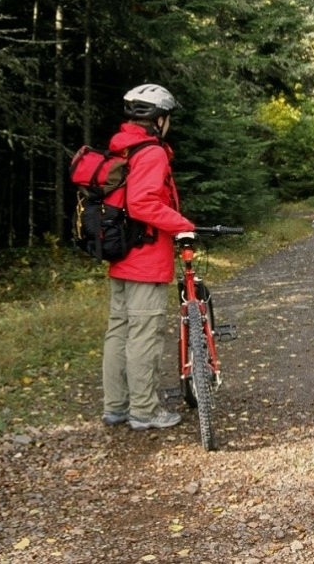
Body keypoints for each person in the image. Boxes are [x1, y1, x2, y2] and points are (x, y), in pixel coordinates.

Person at [100, 83, 195, 431]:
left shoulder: (122, 148)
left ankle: (117, 406)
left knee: (120, 332)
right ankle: (144, 411)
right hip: (145, 257)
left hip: (121, 254)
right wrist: (183, 224)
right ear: (159, 120)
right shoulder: (151, 152)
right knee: (144, 335)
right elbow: (141, 203)